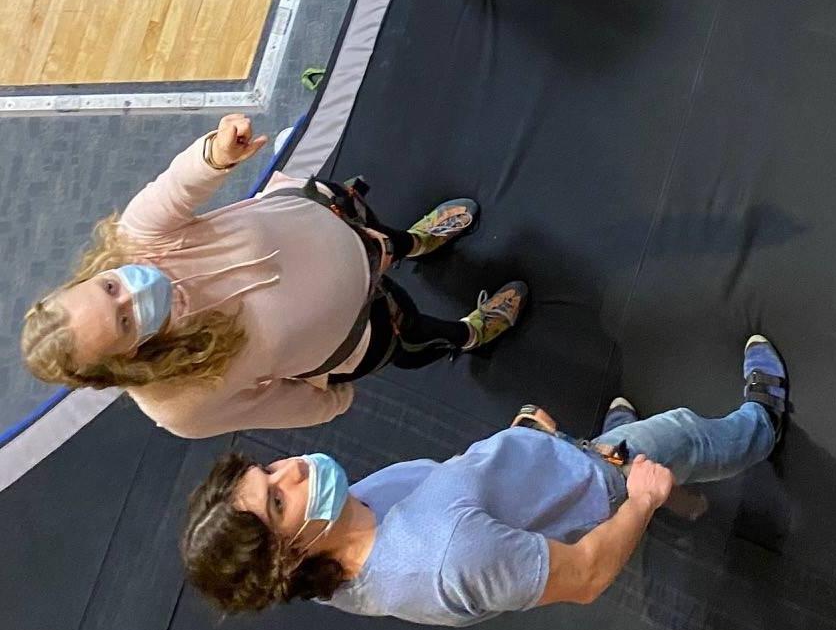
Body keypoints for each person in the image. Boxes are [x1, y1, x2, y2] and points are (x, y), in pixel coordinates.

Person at [180, 335, 790, 619]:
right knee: (681, 435)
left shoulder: (334, 560)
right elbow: (586, 577)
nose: (292, 470)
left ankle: (637, 467)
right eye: (279, 502)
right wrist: (639, 500)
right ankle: (762, 423)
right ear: (290, 556)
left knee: (638, 450)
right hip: (600, 487)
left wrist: (522, 447)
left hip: (554, 462)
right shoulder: (448, 555)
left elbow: (459, 491)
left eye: (268, 471)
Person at [20, 114, 527, 437]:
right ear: (125, 364)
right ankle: (471, 333)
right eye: (126, 321)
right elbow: (283, 406)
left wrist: (215, 157)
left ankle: (417, 242)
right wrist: (336, 395)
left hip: (338, 226)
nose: (132, 292)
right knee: (421, 335)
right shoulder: (179, 402)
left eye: (110, 287)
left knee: (386, 238)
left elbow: (175, 187)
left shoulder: (136, 239)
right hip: (360, 336)